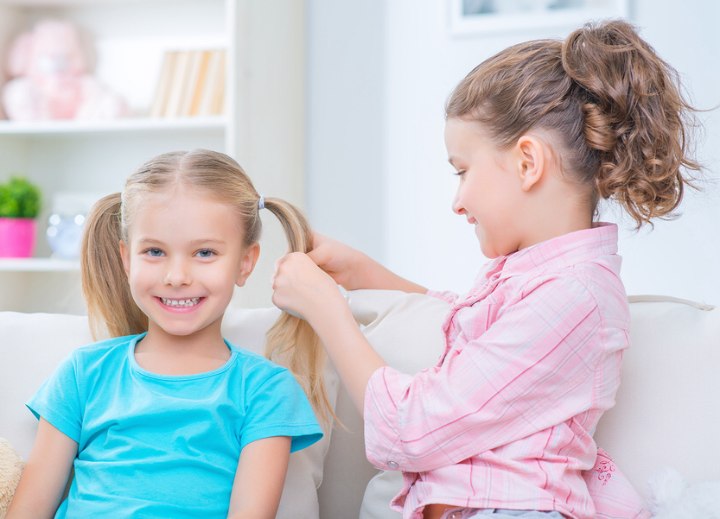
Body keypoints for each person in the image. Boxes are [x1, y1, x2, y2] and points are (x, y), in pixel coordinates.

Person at [271, 20, 700, 519]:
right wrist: (368, 274)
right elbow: (476, 332)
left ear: (526, 163)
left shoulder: (577, 296)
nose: (457, 201)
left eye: (462, 170)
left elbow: (411, 428)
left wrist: (327, 312)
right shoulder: (538, 281)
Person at [7, 149, 329, 519]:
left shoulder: (265, 390)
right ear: (127, 260)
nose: (177, 276)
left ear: (245, 262)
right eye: (155, 251)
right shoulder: (84, 373)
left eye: (205, 252)